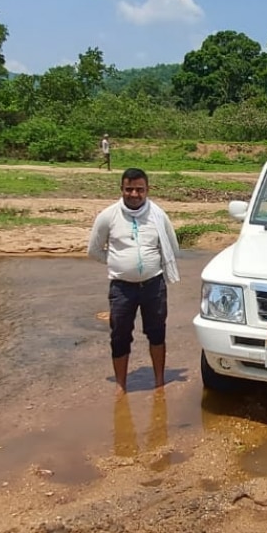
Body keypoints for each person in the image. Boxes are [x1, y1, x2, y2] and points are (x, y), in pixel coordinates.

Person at [87, 168, 180, 392]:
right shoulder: (108, 216)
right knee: (119, 336)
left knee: (157, 333)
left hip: (154, 285)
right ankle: (121, 386)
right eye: (129, 189)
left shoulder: (158, 215)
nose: (134, 194)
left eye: (140, 189)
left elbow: (172, 248)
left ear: (148, 190)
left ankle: (159, 383)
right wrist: (119, 263)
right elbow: (94, 250)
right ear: (122, 190)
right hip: (121, 288)